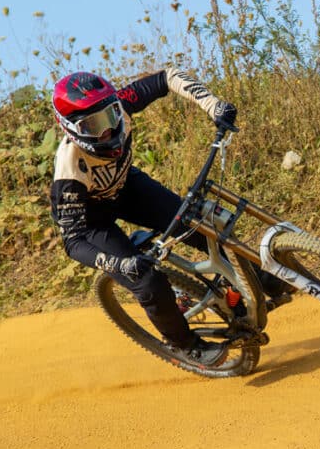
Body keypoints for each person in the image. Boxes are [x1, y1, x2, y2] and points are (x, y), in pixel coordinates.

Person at [49, 68, 239, 367]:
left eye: (110, 117)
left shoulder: (122, 102)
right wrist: (119, 264)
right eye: (93, 125)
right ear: (70, 128)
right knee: (148, 281)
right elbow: (74, 242)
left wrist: (214, 106)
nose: (107, 131)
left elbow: (167, 77)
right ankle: (184, 345)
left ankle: (257, 281)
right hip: (92, 220)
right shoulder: (69, 172)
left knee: (194, 223)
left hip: (126, 186)